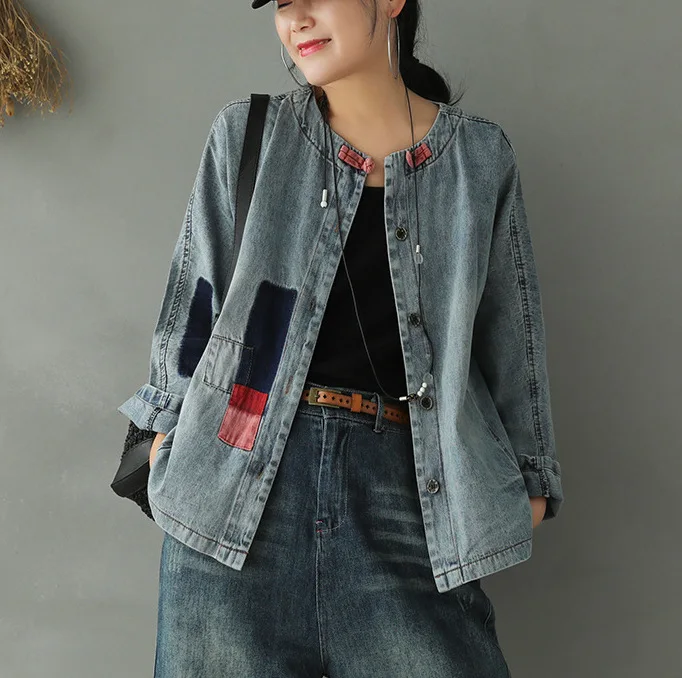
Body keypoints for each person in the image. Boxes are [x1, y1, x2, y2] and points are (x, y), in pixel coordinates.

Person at [118, 0, 564, 675]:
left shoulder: (478, 159)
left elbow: (511, 333)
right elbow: (195, 304)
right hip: (236, 484)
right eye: (282, 2)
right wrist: (163, 436)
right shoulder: (249, 134)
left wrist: (531, 482)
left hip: (413, 498)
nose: (295, 17)